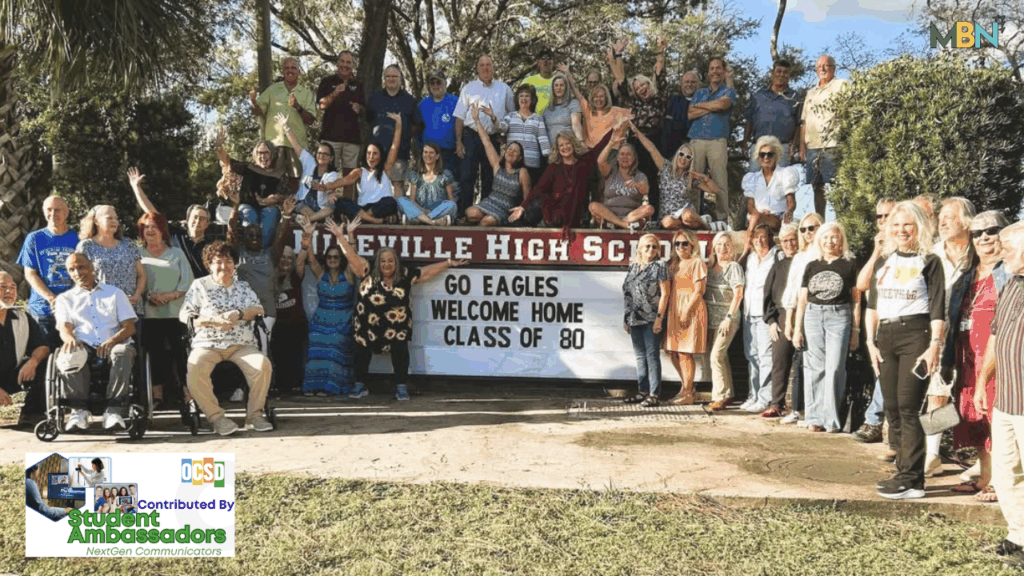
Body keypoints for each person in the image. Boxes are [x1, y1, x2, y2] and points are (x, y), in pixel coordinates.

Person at [865, 201, 945, 500]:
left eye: (907, 225)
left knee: (909, 407)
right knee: (892, 407)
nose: (901, 230)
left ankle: (913, 480)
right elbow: (872, 307)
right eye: (896, 225)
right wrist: (870, 343)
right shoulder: (883, 262)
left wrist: (934, 345)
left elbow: (938, 308)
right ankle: (903, 469)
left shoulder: (930, 261)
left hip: (917, 335)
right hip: (885, 336)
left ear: (919, 227)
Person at [943, 211, 1010, 501]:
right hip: (966, 354)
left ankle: (1002, 480)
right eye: (977, 233)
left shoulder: (1011, 271)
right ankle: (985, 475)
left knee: (997, 415)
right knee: (976, 415)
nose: (984, 237)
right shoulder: (967, 274)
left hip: (997, 355)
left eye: (991, 230)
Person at [179, 241, 274, 436]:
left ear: (234, 263)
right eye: (218, 262)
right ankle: (217, 418)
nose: (224, 266)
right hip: (208, 344)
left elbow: (259, 309)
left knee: (262, 364)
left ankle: (254, 415)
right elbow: (185, 315)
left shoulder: (243, 286)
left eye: (228, 261)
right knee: (194, 365)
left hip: (241, 344)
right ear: (209, 264)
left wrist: (238, 314)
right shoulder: (200, 286)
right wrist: (212, 321)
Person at [351, 250, 468, 401]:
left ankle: (401, 386)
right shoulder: (368, 272)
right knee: (361, 351)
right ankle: (360, 384)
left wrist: (449, 263)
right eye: (383, 261)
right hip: (368, 326)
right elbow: (351, 257)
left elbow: (425, 273)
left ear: (396, 262)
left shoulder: (405, 274)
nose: (387, 264)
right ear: (378, 263)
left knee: (400, 351)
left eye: (391, 260)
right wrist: (341, 238)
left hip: (396, 327)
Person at [977, 220, 1024, 568]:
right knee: (1006, 472)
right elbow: (995, 336)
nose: (1001, 251)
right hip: (1006, 399)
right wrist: (982, 381)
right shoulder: (1010, 284)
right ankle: (1017, 537)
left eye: (1009, 247)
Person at [54, 252, 138, 430]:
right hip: (84, 345)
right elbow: (65, 328)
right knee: (70, 353)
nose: (77, 272)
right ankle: (79, 412)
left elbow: (129, 327)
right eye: (72, 269)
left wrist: (112, 341)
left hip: (114, 344)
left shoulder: (115, 293)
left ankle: (114, 411)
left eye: (81, 267)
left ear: (92, 267)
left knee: (121, 352)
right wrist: (69, 340)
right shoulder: (65, 299)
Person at [924, 197, 977, 476]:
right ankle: (932, 453)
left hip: (973, 335)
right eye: (941, 217)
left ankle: (983, 460)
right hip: (938, 334)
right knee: (938, 391)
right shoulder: (931, 255)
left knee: (975, 395)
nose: (942, 222)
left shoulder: (979, 254)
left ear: (967, 222)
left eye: (950, 217)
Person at [792, 221, 859, 432]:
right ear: (819, 241)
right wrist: (797, 328)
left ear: (841, 240)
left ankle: (831, 420)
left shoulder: (850, 264)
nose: (829, 242)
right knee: (814, 369)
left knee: (835, 368)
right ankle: (814, 418)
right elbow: (802, 299)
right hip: (812, 316)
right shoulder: (812, 265)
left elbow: (857, 300)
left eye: (834, 237)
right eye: (825, 237)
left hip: (839, 316)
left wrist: (856, 331)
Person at [511, 120, 626, 239]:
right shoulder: (553, 168)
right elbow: (538, 188)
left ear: (573, 144)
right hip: (555, 215)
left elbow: (600, 146)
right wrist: (522, 206)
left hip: (577, 213)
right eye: (561, 145)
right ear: (557, 149)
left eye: (567, 143)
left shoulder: (584, 162)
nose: (565, 147)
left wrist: (614, 130)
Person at [298, 218, 368, 397]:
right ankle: (314, 386)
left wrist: (348, 235)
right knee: (315, 342)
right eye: (329, 257)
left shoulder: (348, 274)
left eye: (336, 257)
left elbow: (353, 256)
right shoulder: (320, 273)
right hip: (321, 319)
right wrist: (309, 235)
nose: (333, 260)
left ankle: (331, 387)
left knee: (335, 342)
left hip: (343, 320)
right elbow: (311, 258)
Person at [138, 212, 193, 408]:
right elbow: (134, 281)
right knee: (154, 354)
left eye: (154, 226)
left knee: (181, 353)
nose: (150, 230)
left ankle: (188, 394)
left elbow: (188, 281)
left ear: (163, 230)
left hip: (176, 313)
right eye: (146, 227)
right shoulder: (137, 254)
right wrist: (148, 296)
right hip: (149, 313)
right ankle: (157, 395)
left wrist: (169, 296)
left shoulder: (176, 253)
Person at [852, 198, 896, 444]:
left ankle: (875, 421)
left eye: (887, 215)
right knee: (882, 371)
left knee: (887, 373)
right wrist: (877, 251)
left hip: (901, 321)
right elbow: (861, 284)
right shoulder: (880, 249)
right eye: (878, 217)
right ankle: (879, 423)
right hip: (878, 321)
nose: (882, 221)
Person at [610, 38, 670, 215]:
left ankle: (655, 215)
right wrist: (618, 53)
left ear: (649, 85)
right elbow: (620, 77)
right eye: (637, 87)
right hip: (636, 141)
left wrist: (660, 50)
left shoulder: (659, 98)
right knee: (632, 175)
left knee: (653, 178)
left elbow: (659, 70)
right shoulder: (633, 102)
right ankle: (630, 212)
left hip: (655, 141)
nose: (641, 88)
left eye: (643, 84)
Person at [453, 55, 516, 214]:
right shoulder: (469, 88)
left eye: (489, 65)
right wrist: (459, 141)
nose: (486, 68)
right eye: (482, 65)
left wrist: (505, 136)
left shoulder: (504, 89)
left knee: (490, 176)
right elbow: (460, 117)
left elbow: (512, 115)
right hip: (471, 136)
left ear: (493, 68)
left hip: (493, 138)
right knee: (467, 175)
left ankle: (486, 212)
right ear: (477, 68)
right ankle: (464, 213)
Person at [128, 168, 212, 278]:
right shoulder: (176, 234)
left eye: (202, 219)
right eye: (195, 217)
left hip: (200, 290)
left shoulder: (211, 245)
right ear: (187, 220)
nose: (197, 221)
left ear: (207, 224)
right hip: (175, 289)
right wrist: (136, 188)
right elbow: (152, 213)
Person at [18, 196, 79, 347]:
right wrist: (52, 298)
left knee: (72, 357)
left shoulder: (78, 238)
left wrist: (67, 299)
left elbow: (85, 273)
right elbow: (30, 274)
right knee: (42, 356)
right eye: (49, 210)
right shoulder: (34, 239)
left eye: (57, 210)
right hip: (42, 311)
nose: (53, 214)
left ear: (67, 212)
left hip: (73, 311)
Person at [782, 212, 824, 424]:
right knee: (798, 363)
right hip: (799, 314)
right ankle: (798, 409)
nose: (808, 233)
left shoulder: (824, 254)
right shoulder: (799, 256)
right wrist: (789, 321)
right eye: (804, 229)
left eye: (812, 228)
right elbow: (792, 291)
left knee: (817, 364)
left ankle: (815, 411)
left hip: (819, 312)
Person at [631, 126, 717, 231]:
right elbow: (652, 149)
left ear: (691, 161)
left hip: (685, 213)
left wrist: (705, 178)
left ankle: (707, 228)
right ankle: (688, 228)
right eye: (682, 154)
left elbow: (714, 190)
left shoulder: (691, 178)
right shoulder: (666, 167)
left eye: (688, 157)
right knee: (668, 223)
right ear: (677, 155)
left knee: (688, 216)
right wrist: (638, 133)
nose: (683, 158)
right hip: (668, 217)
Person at [328, 112, 404, 223]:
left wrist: (399, 124)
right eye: (369, 153)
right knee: (341, 202)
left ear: (380, 156)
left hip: (379, 208)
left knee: (390, 202)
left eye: (375, 154)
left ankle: (362, 219)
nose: (371, 157)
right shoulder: (360, 172)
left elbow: (394, 146)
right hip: (362, 208)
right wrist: (326, 187)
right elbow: (344, 181)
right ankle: (375, 221)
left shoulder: (386, 169)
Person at [621, 233, 670, 408]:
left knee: (652, 356)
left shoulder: (660, 266)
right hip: (634, 319)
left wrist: (659, 318)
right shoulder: (633, 266)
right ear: (639, 248)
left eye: (654, 246)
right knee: (640, 356)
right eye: (647, 246)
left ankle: (654, 394)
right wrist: (626, 318)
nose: (650, 249)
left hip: (651, 318)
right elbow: (628, 293)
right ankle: (642, 391)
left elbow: (665, 293)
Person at [217, 139, 294, 248]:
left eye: (266, 152)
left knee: (270, 214)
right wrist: (219, 146)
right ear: (255, 155)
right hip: (247, 205)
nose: (263, 156)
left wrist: (274, 198)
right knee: (249, 214)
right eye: (259, 153)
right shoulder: (248, 167)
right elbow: (227, 161)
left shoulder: (280, 174)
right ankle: (251, 248)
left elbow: (285, 194)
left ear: (272, 154)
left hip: (269, 207)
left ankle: (262, 250)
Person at [799, 55, 850, 217]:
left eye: (826, 65)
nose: (822, 69)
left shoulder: (842, 85)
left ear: (833, 68)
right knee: (817, 186)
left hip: (833, 144)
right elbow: (804, 121)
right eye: (819, 66)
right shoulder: (811, 93)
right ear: (815, 70)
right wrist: (802, 146)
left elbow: (850, 111)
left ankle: (843, 220)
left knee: (837, 185)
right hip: (813, 146)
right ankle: (820, 220)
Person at [688, 57, 737, 225]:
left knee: (720, 181)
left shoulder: (729, 91)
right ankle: (692, 218)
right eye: (712, 69)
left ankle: (722, 219)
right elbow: (690, 113)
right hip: (696, 140)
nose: (715, 71)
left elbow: (723, 105)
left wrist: (702, 106)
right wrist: (713, 105)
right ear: (708, 73)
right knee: (693, 180)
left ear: (723, 72)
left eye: (718, 68)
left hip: (717, 140)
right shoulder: (699, 92)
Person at [249, 57, 316, 177]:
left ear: (299, 72)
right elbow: (258, 111)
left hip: (296, 145)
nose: (290, 71)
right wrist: (254, 102)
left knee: (296, 183)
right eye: (287, 68)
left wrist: (297, 107)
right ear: (282, 71)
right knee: (272, 182)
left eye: (293, 68)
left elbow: (311, 120)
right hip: (274, 145)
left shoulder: (306, 93)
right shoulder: (272, 90)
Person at [663, 229, 708, 405]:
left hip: (691, 308)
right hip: (674, 309)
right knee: (671, 350)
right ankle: (685, 388)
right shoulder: (673, 264)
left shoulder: (697, 262)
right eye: (677, 244)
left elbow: (699, 290)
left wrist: (687, 311)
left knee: (684, 352)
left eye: (684, 243)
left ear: (692, 245)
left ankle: (688, 391)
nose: (681, 247)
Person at [464, 107, 530, 227]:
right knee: (470, 213)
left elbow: (527, 195)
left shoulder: (521, 172)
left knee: (486, 222)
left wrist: (522, 210)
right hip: (490, 202)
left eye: (515, 151)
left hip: (505, 208)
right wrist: (476, 120)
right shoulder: (497, 167)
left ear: (520, 158)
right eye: (510, 149)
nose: (511, 152)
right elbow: (487, 142)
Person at [77, 205, 146, 318]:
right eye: (109, 218)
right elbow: (80, 279)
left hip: (131, 309)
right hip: (101, 311)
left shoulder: (128, 244)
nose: (114, 221)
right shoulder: (86, 246)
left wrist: (136, 296)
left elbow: (141, 275)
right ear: (96, 221)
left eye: (116, 218)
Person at [740, 224, 781, 414]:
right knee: (752, 356)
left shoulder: (777, 257)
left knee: (766, 358)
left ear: (770, 238)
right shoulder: (750, 259)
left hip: (765, 316)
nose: (759, 240)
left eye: (763, 237)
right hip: (749, 313)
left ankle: (765, 399)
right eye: (756, 237)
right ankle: (754, 395)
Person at [0, 272, 49, 424]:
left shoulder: (22, 317)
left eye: (12, 287)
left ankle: (31, 415)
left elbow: (43, 346)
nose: (9, 292)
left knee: (45, 364)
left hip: (11, 375)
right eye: (2, 287)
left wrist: (33, 361)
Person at [762, 224, 800, 418]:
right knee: (779, 362)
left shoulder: (806, 262)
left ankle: (799, 407)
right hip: (782, 317)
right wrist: (771, 321)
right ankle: (776, 404)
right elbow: (767, 294)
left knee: (803, 364)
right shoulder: (778, 266)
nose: (789, 244)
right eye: (785, 241)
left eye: (792, 239)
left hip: (803, 316)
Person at [316, 50, 365, 201]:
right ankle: (326, 206)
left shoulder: (358, 85)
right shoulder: (327, 82)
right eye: (342, 61)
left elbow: (364, 110)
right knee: (328, 175)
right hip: (331, 137)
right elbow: (321, 106)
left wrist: (359, 109)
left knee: (350, 176)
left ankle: (348, 207)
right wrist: (335, 93)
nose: (345, 65)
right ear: (337, 63)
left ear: (352, 65)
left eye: (348, 62)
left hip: (352, 139)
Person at [705, 232, 745, 410]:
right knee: (721, 357)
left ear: (733, 247)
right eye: (720, 244)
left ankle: (719, 397)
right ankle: (728, 394)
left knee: (716, 356)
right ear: (714, 247)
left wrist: (729, 317)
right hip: (711, 319)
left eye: (727, 244)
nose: (723, 248)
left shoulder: (733, 267)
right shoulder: (711, 266)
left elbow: (739, 294)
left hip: (727, 319)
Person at [367, 65, 420, 195]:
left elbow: (417, 125)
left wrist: (404, 136)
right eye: (388, 76)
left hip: (400, 153)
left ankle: (396, 214)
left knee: (397, 184)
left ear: (400, 79)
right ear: (384, 79)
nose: (391, 79)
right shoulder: (375, 98)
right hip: (377, 154)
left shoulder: (409, 100)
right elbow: (368, 120)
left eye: (394, 76)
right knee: (376, 185)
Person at [278, 114, 339, 223]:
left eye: (325, 154)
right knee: (303, 208)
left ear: (331, 158)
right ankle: (316, 219)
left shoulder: (333, 174)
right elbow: (296, 145)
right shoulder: (310, 162)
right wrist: (285, 127)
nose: (322, 156)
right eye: (319, 153)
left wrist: (327, 191)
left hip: (320, 206)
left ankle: (308, 220)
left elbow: (329, 187)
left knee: (330, 208)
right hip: (303, 203)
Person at [744, 60, 801, 171]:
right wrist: (745, 141)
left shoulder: (795, 97)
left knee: (779, 185)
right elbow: (749, 119)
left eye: (785, 72)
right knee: (755, 183)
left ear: (789, 76)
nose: (781, 74)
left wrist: (794, 145)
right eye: (778, 71)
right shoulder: (759, 95)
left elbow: (798, 123)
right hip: (759, 147)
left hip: (782, 147)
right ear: (772, 73)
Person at [589, 131, 653, 230]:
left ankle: (617, 224)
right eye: (622, 154)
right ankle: (623, 225)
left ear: (634, 158)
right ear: (617, 158)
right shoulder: (610, 171)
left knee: (649, 209)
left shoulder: (640, 175)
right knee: (593, 206)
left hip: (631, 216)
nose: (625, 157)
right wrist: (611, 143)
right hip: (609, 214)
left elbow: (645, 190)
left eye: (628, 155)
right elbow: (600, 161)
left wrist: (637, 185)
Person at [742, 135, 798, 235]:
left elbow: (791, 203)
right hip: (757, 217)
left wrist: (789, 212)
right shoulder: (751, 178)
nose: (766, 157)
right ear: (758, 157)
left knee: (756, 218)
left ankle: (748, 239)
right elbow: (750, 206)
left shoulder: (785, 174)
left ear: (776, 156)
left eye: (770, 154)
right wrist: (759, 214)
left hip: (778, 218)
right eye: (762, 154)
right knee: (755, 217)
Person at [271, 244, 307, 395]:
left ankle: (295, 385)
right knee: (278, 358)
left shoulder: (296, 275)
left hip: (296, 325)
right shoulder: (270, 276)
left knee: (295, 358)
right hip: (276, 326)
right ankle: (279, 386)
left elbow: (301, 260)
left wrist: (305, 244)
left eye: (289, 258)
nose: (286, 260)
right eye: (283, 257)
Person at [499, 84, 550, 185]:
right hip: (513, 165)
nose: (524, 98)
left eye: (527, 96)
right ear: (517, 100)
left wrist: (551, 158)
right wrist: (493, 118)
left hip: (532, 165)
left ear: (532, 100)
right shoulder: (510, 116)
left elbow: (544, 141)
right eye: (521, 96)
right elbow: (501, 127)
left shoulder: (538, 118)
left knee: (529, 197)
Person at [397, 143, 458, 226]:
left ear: (437, 156)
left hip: (438, 210)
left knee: (452, 205)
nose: (427, 155)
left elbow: (451, 198)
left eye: (431, 153)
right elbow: (412, 200)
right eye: (425, 152)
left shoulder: (445, 174)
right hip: (421, 210)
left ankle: (420, 220)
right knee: (401, 200)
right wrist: (422, 211)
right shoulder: (415, 175)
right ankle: (432, 222)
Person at [417, 71, 461, 180]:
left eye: (438, 82)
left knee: (449, 185)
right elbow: (417, 127)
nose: (436, 86)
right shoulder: (423, 104)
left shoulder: (455, 101)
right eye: (432, 83)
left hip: (449, 153)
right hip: (428, 155)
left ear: (445, 83)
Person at [661, 71, 699, 158]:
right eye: (687, 82)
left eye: (693, 82)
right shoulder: (673, 99)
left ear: (698, 84)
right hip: (669, 152)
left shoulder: (703, 101)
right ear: (681, 84)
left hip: (693, 152)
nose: (689, 84)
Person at [545, 68, 584, 145]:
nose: (558, 88)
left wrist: (581, 141)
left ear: (566, 87)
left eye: (562, 85)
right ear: (552, 88)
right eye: (556, 85)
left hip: (568, 147)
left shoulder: (573, 104)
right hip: (552, 150)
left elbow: (576, 124)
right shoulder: (548, 110)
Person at [521, 48, 555, 114]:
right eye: (542, 58)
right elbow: (519, 101)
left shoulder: (559, 82)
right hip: (532, 120)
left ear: (553, 62)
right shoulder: (528, 81)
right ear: (538, 63)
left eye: (549, 58)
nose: (546, 61)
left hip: (553, 121)